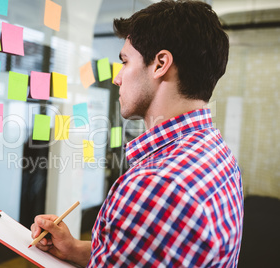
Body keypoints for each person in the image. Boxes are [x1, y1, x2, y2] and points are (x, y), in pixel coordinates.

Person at [30, 0, 244, 267]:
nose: (117, 78)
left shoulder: (154, 185)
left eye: (125, 61)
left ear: (160, 64)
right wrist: (73, 248)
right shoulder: (216, 153)